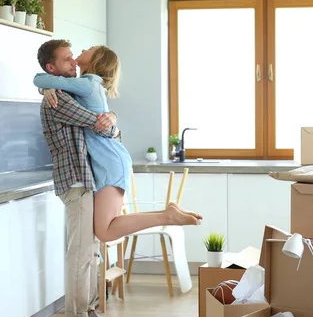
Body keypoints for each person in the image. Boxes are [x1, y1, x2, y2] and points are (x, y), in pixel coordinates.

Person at [33, 44, 203, 245]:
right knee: (106, 228)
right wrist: (46, 89)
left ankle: (167, 216)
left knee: (105, 231)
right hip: (109, 159)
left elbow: (40, 78)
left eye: (90, 48)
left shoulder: (88, 83)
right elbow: (49, 82)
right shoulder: (89, 86)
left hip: (109, 161)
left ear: (96, 60)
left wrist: (45, 86)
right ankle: (167, 214)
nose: (82, 50)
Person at [37, 39, 122, 317]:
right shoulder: (57, 98)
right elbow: (95, 122)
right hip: (74, 181)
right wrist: (111, 120)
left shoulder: (66, 92)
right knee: (81, 251)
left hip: (86, 181)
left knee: (91, 251)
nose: (73, 63)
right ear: (51, 68)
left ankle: (90, 311)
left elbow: (104, 122)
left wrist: (112, 118)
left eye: (74, 58)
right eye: (66, 60)